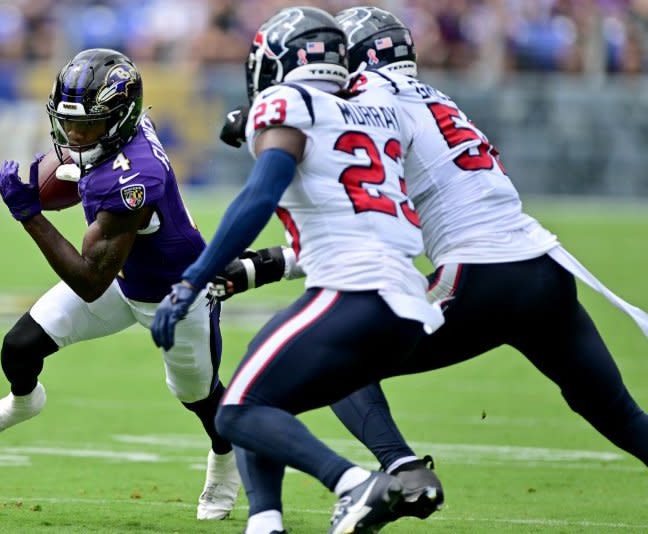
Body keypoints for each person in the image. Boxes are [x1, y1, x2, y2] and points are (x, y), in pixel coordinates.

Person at [215, 6, 648, 507]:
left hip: (482, 275)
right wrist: (268, 260)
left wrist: (267, 254)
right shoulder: (439, 101)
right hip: (543, 267)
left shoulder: (372, 102)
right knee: (620, 414)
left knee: (342, 354)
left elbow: (364, 221)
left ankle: (401, 470)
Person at [150, 7, 445, 534]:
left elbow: (261, 195)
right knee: (265, 398)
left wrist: (193, 278)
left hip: (352, 289)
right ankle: (268, 521)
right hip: (406, 295)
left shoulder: (287, 102)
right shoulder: (380, 108)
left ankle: (357, 484)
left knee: (236, 410)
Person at [0, 48, 240, 522]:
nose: (75, 135)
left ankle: (225, 459)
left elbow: (89, 281)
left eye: (88, 125)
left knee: (198, 395)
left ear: (120, 120)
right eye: (70, 123)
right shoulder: (116, 132)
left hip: (175, 293)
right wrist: (55, 179)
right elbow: (80, 174)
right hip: (122, 276)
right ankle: (24, 402)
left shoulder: (135, 176)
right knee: (20, 347)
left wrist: (30, 215)